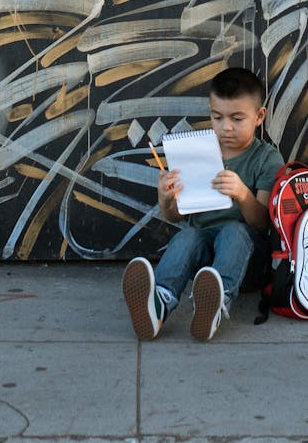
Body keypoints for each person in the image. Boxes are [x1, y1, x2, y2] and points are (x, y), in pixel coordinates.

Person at [122, 67, 284, 342]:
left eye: (237, 118)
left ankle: (217, 303)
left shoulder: (266, 159)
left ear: (259, 117)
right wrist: (166, 198)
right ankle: (160, 302)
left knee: (234, 230)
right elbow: (175, 216)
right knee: (189, 236)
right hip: (202, 266)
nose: (225, 127)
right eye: (217, 117)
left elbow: (264, 223)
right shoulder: (195, 151)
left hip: (246, 261)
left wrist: (243, 194)